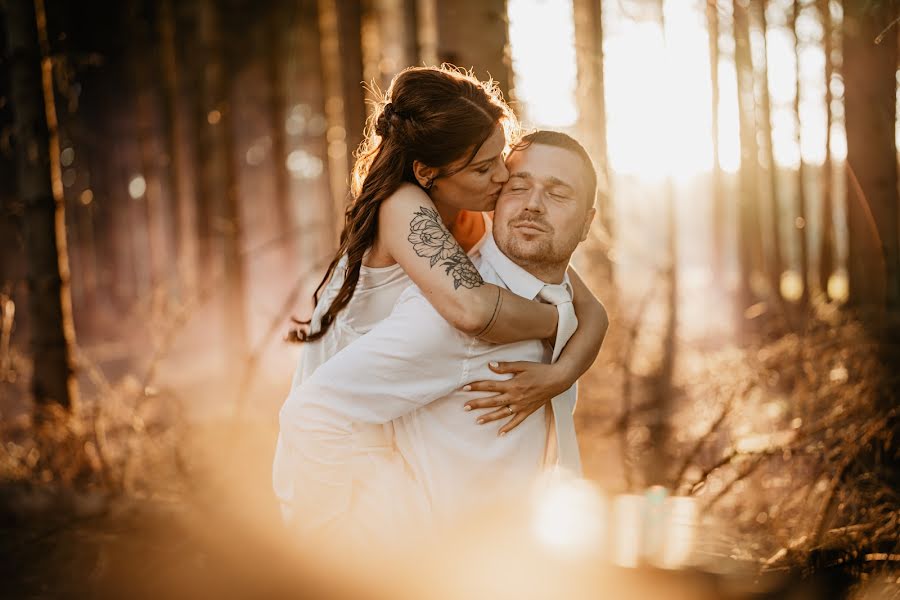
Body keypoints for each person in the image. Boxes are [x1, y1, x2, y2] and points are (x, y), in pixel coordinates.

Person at [272, 65, 607, 531]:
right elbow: (472, 312)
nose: (501, 178)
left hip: (389, 440)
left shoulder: (470, 220)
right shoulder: (405, 207)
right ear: (428, 172)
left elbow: (591, 309)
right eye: (483, 168)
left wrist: (563, 369)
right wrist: (555, 322)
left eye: (501, 160)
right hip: (343, 464)